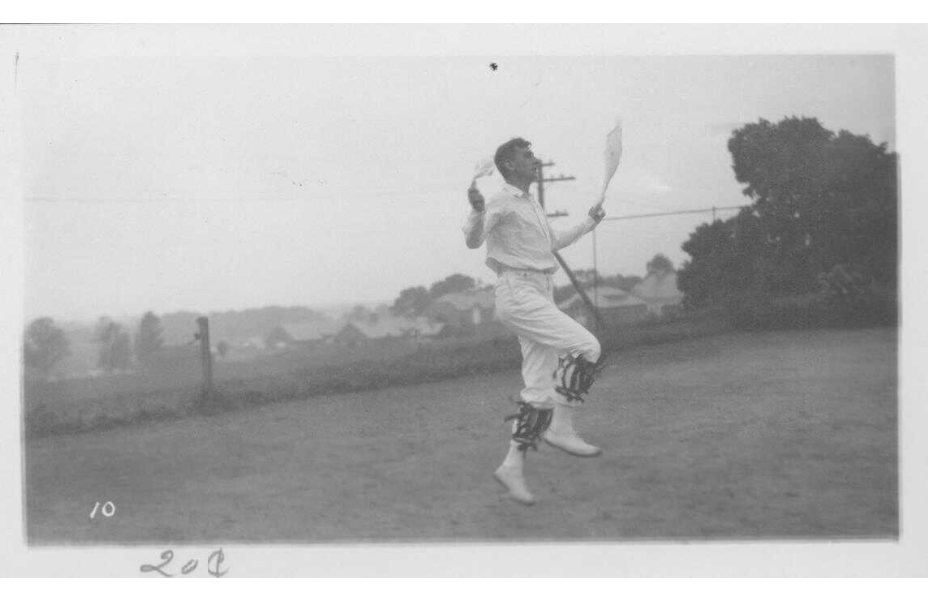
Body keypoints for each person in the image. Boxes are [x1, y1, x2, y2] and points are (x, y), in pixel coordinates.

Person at [463, 138, 607, 506]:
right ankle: (560, 427)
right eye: (526, 155)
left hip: (540, 291)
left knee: (539, 392)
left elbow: (553, 243)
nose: (535, 159)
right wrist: (477, 212)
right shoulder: (499, 200)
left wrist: (590, 221)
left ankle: (511, 467)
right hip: (517, 291)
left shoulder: (531, 204)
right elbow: (472, 240)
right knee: (587, 346)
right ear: (509, 165)